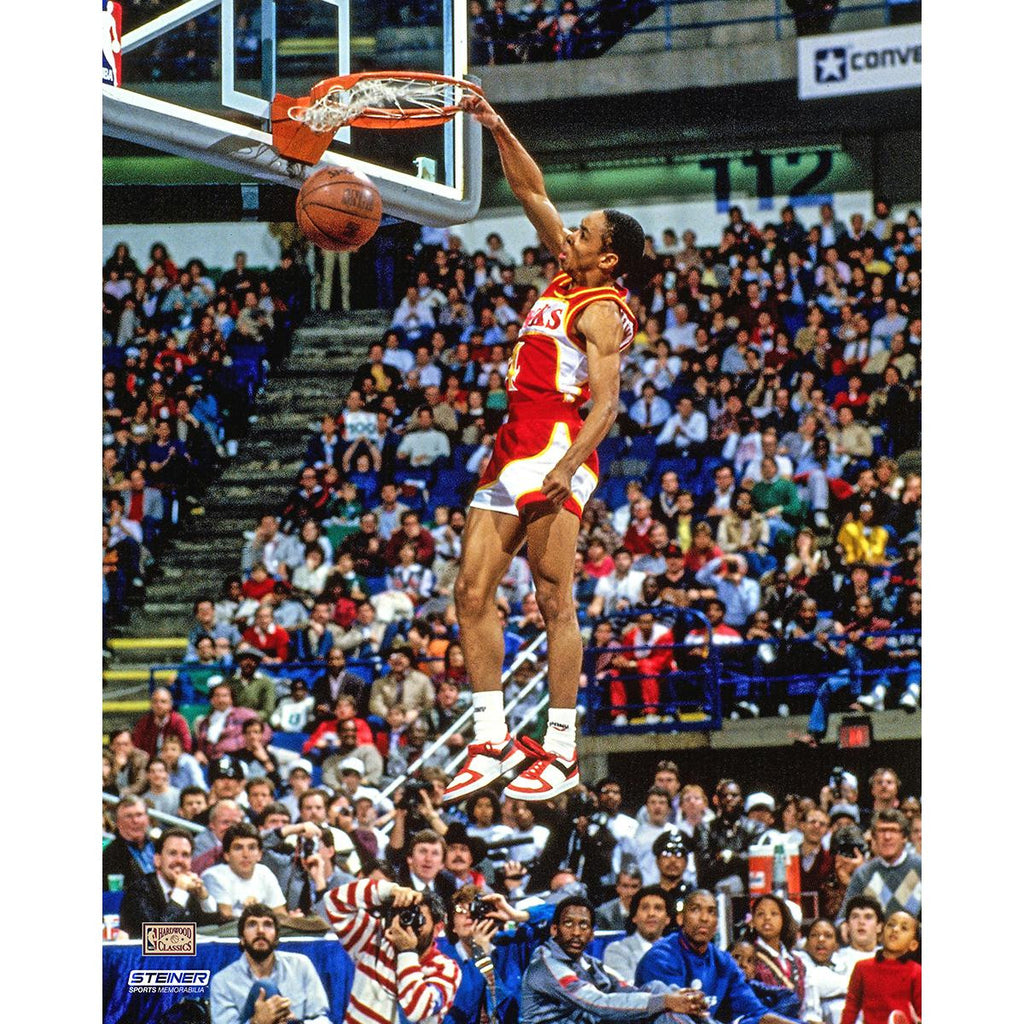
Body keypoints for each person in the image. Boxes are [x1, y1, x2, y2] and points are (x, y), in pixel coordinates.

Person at [447, 93, 645, 805]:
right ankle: (490, 739)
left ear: (608, 255)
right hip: (512, 442)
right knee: (470, 593)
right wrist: (498, 127)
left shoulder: (600, 309)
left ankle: (560, 750)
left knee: (553, 599)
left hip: (555, 445)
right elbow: (531, 188)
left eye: (584, 233)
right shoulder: (565, 278)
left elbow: (608, 404)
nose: (571, 234)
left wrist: (566, 469)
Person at [520, 895, 700, 1024]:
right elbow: (597, 1003)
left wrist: (681, 998)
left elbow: (629, 990)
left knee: (657, 989)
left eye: (583, 925)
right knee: (661, 1003)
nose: (576, 932)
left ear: (591, 935)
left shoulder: (591, 964)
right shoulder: (547, 965)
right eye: (568, 923)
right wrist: (665, 1001)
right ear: (554, 930)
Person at [636, 890, 794, 1023]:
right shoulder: (660, 958)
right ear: (680, 918)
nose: (704, 918)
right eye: (696, 909)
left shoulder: (723, 961)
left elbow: (756, 1013)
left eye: (711, 912)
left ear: (717, 923)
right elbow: (681, 1017)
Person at [322, 878, 461, 1024]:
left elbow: (416, 1011)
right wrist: (388, 891)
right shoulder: (373, 938)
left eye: (420, 920)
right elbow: (333, 901)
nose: (410, 926)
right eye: (406, 916)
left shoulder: (446, 969)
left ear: (437, 929)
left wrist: (407, 951)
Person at [209, 903, 331, 1024]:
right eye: (252, 925)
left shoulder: (301, 965)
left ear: (277, 937)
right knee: (265, 986)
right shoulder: (222, 982)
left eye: (268, 925)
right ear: (242, 938)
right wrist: (257, 1022)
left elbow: (322, 1019)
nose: (260, 931)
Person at [119, 827, 223, 937]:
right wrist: (180, 891)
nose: (179, 860)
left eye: (185, 855)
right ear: (157, 860)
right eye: (173, 853)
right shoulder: (138, 891)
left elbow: (216, 931)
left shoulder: (191, 891)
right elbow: (157, 940)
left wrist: (204, 897)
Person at [838, 810, 921, 922]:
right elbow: (842, 918)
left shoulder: (921, 868)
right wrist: (843, 925)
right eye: (882, 831)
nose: (887, 837)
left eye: (893, 830)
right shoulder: (863, 874)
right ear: (874, 837)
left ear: (904, 837)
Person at [839, 911, 920, 1024]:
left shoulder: (916, 971)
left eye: (904, 928)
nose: (895, 929)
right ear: (881, 934)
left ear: (913, 945)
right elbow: (851, 1007)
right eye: (891, 924)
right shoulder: (862, 967)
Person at [201, 822, 288, 919]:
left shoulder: (265, 872)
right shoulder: (213, 876)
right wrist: (253, 912)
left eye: (251, 848)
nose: (246, 854)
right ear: (227, 855)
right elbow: (225, 921)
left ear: (260, 854)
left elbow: (281, 914)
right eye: (238, 848)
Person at [601, 885, 673, 984]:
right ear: (634, 917)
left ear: (667, 919)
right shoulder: (616, 951)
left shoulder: (677, 951)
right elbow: (629, 990)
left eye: (658, 908)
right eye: (645, 908)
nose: (651, 913)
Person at [103, 796, 156, 891]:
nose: (135, 821)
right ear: (118, 822)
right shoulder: (110, 856)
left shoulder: (159, 846)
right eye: (128, 816)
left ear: (147, 819)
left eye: (139, 815)